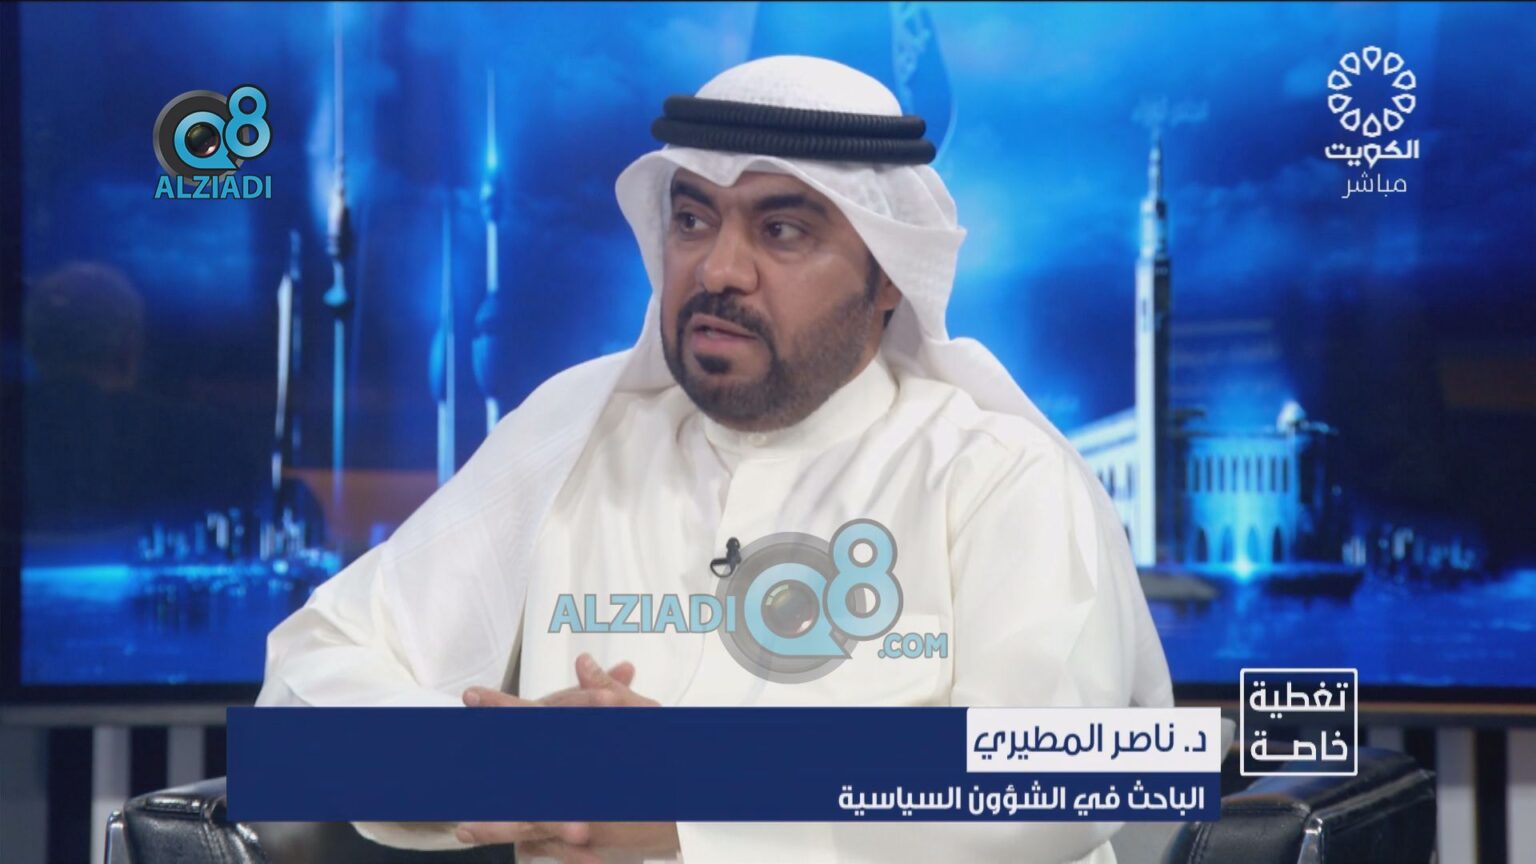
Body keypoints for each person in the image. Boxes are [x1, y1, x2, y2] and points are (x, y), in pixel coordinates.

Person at [256, 55, 1173, 864]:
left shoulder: (998, 474)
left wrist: (691, 792)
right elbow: (296, 707)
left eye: (783, 230)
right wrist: (506, 763)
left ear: (890, 273)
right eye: (693, 219)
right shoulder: (575, 438)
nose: (719, 269)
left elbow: (1072, 776)